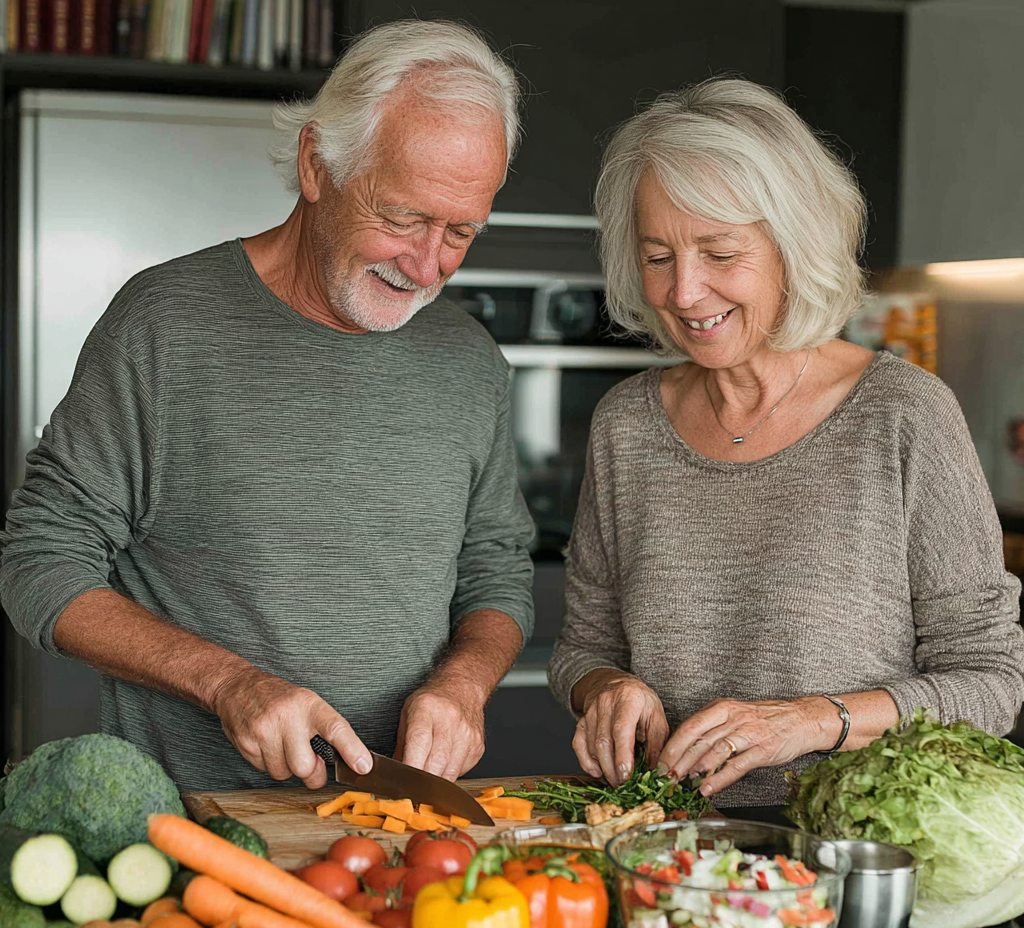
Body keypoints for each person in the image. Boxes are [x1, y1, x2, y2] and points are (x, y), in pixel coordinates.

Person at [0, 20, 535, 793]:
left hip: (395, 833)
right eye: (402, 217)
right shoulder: (165, 323)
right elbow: (40, 562)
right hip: (194, 831)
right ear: (318, 165)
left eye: (460, 231)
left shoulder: (469, 362)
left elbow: (494, 572)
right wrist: (227, 683)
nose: (427, 265)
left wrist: (466, 683)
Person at [549, 78, 1024, 807]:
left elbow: (990, 682)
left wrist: (810, 722)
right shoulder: (627, 426)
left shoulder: (903, 414)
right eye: (657, 256)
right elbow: (582, 648)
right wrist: (604, 689)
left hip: (849, 851)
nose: (682, 292)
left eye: (718, 252)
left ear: (792, 248)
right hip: (663, 850)